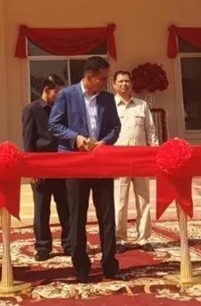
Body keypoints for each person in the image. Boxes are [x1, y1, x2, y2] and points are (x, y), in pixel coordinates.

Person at [48, 56, 126, 283]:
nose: (105, 82)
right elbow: (54, 124)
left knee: (107, 215)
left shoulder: (107, 99)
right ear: (89, 77)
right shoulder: (67, 95)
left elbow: (115, 127)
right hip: (75, 163)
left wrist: (104, 142)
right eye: (102, 78)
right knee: (76, 216)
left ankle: (110, 264)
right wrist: (75, 138)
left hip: (100, 162)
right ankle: (81, 266)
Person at [22, 73, 71, 261]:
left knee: (65, 207)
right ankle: (43, 246)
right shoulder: (32, 109)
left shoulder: (62, 109)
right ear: (46, 90)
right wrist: (31, 168)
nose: (59, 96)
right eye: (56, 92)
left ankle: (69, 243)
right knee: (42, 208)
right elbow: (28, 140)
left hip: (61, 164)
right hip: (40, 166)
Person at [112, 70, 159, 254]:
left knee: (143, 199)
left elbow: (150, 130)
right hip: (119, 159)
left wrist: (154, 153)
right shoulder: (110, 106)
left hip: (141, 158)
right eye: (120, 81)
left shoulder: (142, 105)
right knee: (120, 201)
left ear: (131, 84)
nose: (124, 84)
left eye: (127, 81)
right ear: (114, 85)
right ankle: (120, 238)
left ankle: (143, 238)